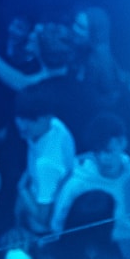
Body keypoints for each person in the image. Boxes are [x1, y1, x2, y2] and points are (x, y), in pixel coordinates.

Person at [51, 113, 130, 259]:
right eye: (97, 152)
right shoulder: (77, 183)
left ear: (123, 142)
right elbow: (58, 226)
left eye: (108, 151)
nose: (103, 158)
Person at [11, 88, 78, 233]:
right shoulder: (55, 125)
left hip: (42, 224)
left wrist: (22, 189)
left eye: (32, 120)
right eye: (20, 118)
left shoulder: (46, 164)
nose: (22, 126)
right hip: (38, 185)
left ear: (48, 117)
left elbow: (43, 218)